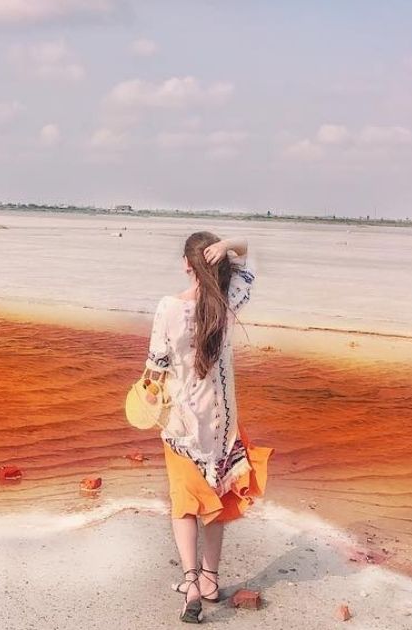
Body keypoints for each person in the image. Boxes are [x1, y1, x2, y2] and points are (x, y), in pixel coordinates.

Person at [144, 231, 271, 623]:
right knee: (217, 500)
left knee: (184, 502)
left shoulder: (168, 308)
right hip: (222, 426)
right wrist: (231, 245)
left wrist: (147, 397)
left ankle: (191, 582)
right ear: (218, 264)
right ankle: (212, 580)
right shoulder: (227, 303)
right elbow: (251, 256)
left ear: (186, 265)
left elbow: (155, 370)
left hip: (182, 425)